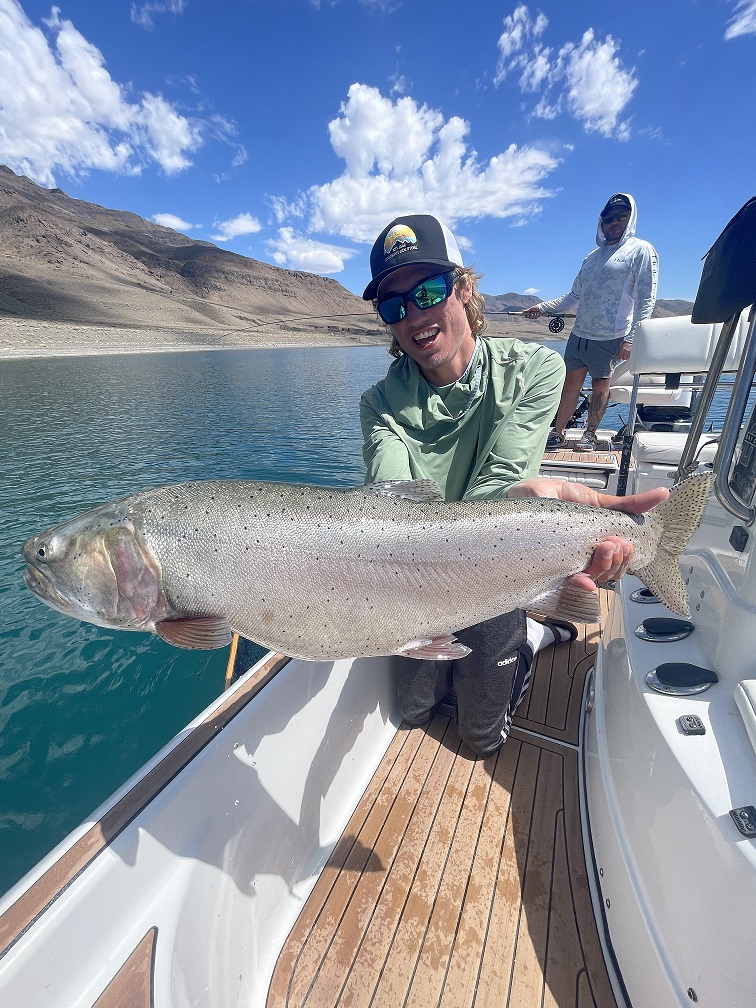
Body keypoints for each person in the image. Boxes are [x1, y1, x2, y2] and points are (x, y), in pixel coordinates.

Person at [359, 212, 667, 757]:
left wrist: (530, 515)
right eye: (393, 305)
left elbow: (503, 485)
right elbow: (392, 511)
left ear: (465, 287)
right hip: (417, 578)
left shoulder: (536, 371)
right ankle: (537, 632)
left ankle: (531, 639)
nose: (414, 315)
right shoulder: (379, 404)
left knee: (481, 741)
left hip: (497, 568)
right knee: (411, 715)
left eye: (429, 290)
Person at [523, 193, 658, 452]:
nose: (614, 223)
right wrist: (541, 308)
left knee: (600, 387)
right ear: (601, 223)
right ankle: (558, 432)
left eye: (621, 217)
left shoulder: (641, 250)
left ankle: (590, 435)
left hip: (610, 336)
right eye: (608, 219)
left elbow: (646, 299)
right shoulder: (591, 257)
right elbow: (573, 296)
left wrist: (631, 339)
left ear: (630, 219)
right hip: (580, 335)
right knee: (569, 385)